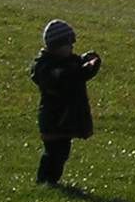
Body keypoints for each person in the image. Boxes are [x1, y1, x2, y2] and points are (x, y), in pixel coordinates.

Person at [30, 19, 101, 187]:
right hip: (54, 119)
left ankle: (51, 181)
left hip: (64, 119)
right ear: (57, 46)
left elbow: (78, 71)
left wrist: (92, 62)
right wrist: (84, 68)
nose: (72, 48)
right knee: (54, 153)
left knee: (61, 152)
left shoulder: (68, 62)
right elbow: (68, 77)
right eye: (69, 44)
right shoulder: (45, 67)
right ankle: (45, 180)